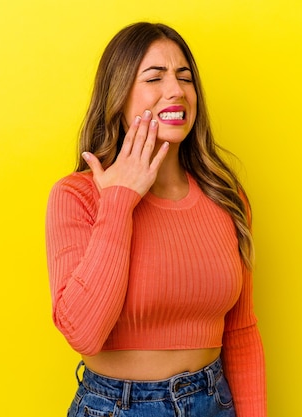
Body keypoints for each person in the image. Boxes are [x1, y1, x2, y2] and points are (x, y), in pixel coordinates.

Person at [46, 22, 266, 417]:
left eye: (185, 77)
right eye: (154, 77)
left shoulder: (225, 197)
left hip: (214, 402)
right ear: (119, 94)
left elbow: (241, 331)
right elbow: (83, 331)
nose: (176, 91)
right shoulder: (77, 196)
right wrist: (119, 201)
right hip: (117, 407)